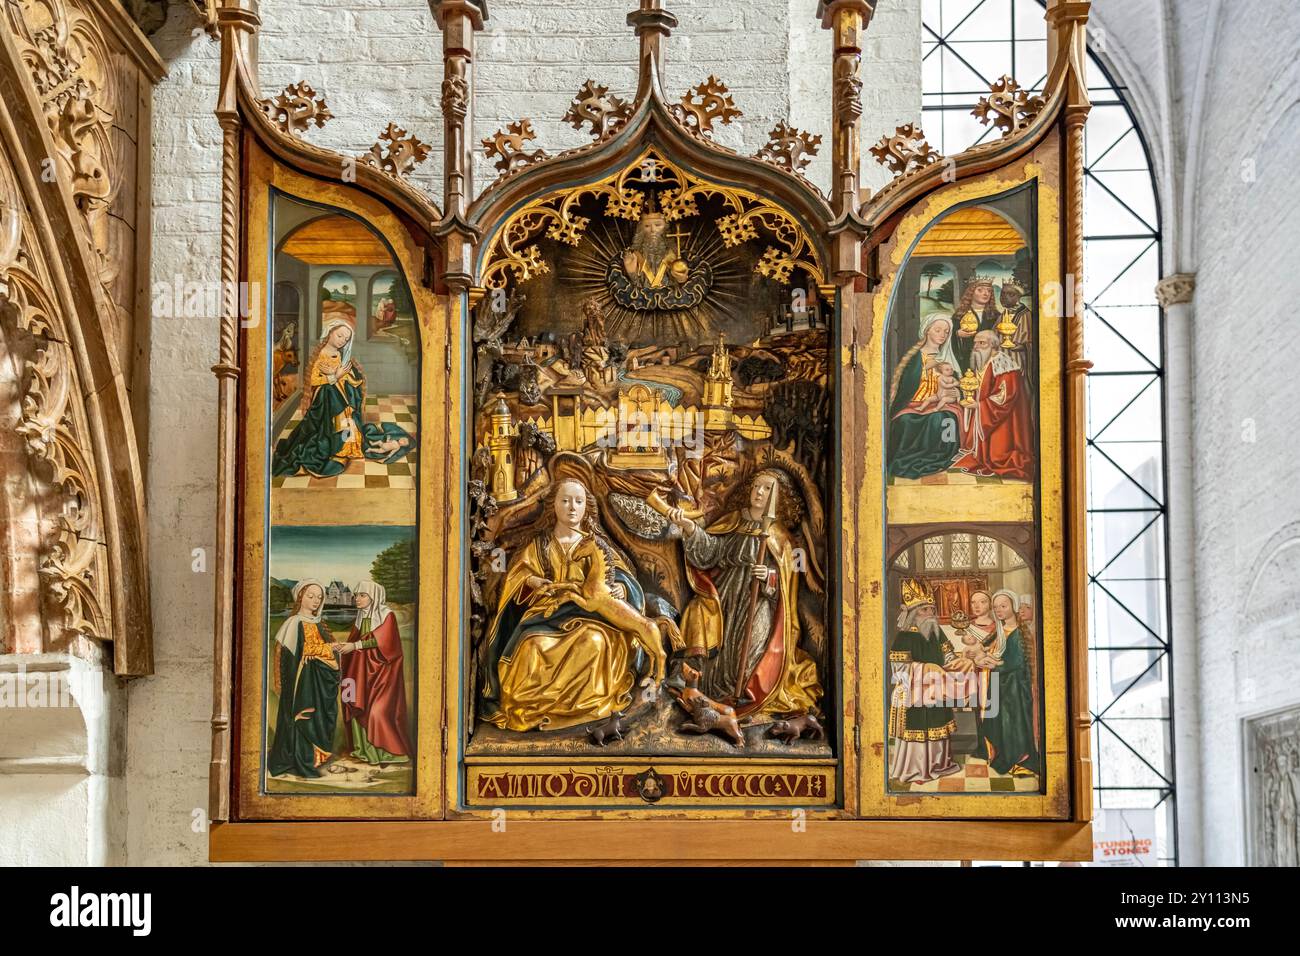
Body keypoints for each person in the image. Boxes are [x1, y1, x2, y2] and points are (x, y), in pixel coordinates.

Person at [479, 454, 659, 732]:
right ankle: (532, 707)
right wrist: (534, 583)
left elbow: (621, 577)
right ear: (554, 505)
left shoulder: (595, 544)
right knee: (532, 647)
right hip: (545, 619)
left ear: (587, 507)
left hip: (594, 620)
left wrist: (622, 588)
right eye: (565, 500)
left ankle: (586, 708)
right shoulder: (538, 546)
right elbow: (517, 581)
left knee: (594, 641)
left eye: (578, 501)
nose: (572, 507)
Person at [667, 469, 822, 719]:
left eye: (766, 489)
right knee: (710, 631)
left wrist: (769, 577)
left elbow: (787, 583)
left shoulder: (779, 536)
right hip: (728, 595)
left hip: (759, 602)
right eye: (756, 487)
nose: (759, 492)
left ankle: (740, 698)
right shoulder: (735, 520)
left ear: (779, 497)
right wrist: (689, 528)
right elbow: (712, 551)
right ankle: (706, 696)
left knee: (748, 653)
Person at [271, 318, 414, 477]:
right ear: (330, 332)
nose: (342, 341)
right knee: (337, 418)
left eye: (346, 339)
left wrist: (352, 380)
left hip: (340, 395)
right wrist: (334, 377)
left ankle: (347, 444)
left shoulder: (337, 353)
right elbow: (314, 381)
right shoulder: (320, 355)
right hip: (326, 399)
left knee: (347, 419)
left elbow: (342, 373)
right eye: (339, 336)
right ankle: (338, 445)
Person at [888, 578, 974, 783]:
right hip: (913, 694)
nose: (930, 614)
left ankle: (939, 765)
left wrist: (959, 662)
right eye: (924, 609)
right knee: (918, 730)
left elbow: (949, 656)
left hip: (937, 690)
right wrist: (926, 667)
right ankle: (915, 770)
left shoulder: (936, 631)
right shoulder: (904, 636)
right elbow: (898, 670)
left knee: (938, 725)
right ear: (912, 613)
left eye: (931, 609)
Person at [268, 580, 343, 778]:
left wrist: (324, 652)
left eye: (319, 597)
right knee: (304, 717)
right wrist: (317, 652)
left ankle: (319, 757)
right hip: (302, 685)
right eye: (311, 596)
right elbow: (288, 657)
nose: (316, 601)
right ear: (300, 597)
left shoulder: (320, 623)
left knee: (321, 716)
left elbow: (331, 649)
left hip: (320, 683)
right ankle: (302, 759)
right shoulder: (293, 623)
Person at [340, 580, 412, 766]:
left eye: (362, 595)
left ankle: (389, 753)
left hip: (383, 675)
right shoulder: (360, 617)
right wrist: (344, 647)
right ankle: (363, 750)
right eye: (356, 595)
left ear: (374, 597)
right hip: (361, 673)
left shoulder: (386, 615)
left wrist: (355, 646)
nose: (357, 599)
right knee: (354, 702)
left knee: (377, 713)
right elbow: (354, 643)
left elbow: (386, 644)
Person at [953, 329, 1035, 480]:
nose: (976, 346)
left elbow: (1005, 397)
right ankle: (981, 454)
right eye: (975, 342)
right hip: (991, 413)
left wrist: (979, 406)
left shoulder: (1005, 366)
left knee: (999, 455)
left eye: (981, 343)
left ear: (994, 346)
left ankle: (997, 458)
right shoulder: (986, 362)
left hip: (1006, 421)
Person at [887, 314, 962, 479]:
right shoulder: (915, 359)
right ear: (927, 331)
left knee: (944, 418)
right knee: (905, 421)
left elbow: (960, 385)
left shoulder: (947, 359)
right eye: (938, 330)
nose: (942, 334)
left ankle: (941, 456)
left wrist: (957, 392)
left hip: (940, 402)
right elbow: (906, 388)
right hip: (914, 403)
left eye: (946, 331)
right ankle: (908, 458)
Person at [978, 590, 1041, 777]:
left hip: (1014, 689)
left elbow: (1016, 662)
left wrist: (992, 663)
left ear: (1013, 607)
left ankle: (1019, 758)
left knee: (1012, 723)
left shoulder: (1021, 632)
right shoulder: (999, 629)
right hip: (998, 684)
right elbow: (984, 647)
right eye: (996, 607)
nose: (999, 610)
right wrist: (980, 656)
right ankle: (1004, 755)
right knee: (999, 722)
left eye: (1003, 606)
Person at [950, 276, 1003, 372]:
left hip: (990, 360)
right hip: (967, 360)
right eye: (980, 290)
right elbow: (949, 337)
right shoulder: (959, 315)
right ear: (971, 293)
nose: (986, 294)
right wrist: (957, 334)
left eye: (989, 291)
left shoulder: (996, 315)